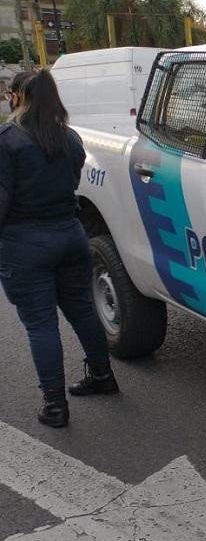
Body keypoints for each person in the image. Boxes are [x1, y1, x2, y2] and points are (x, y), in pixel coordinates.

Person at [0, 69, 118, 429]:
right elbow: (73, 181)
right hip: (70, 235)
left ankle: (55, 406)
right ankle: (102, 376)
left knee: (40, 325)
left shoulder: (8, 140)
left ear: (18, 96)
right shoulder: (70, 139)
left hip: (25, 244)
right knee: (82, 311)